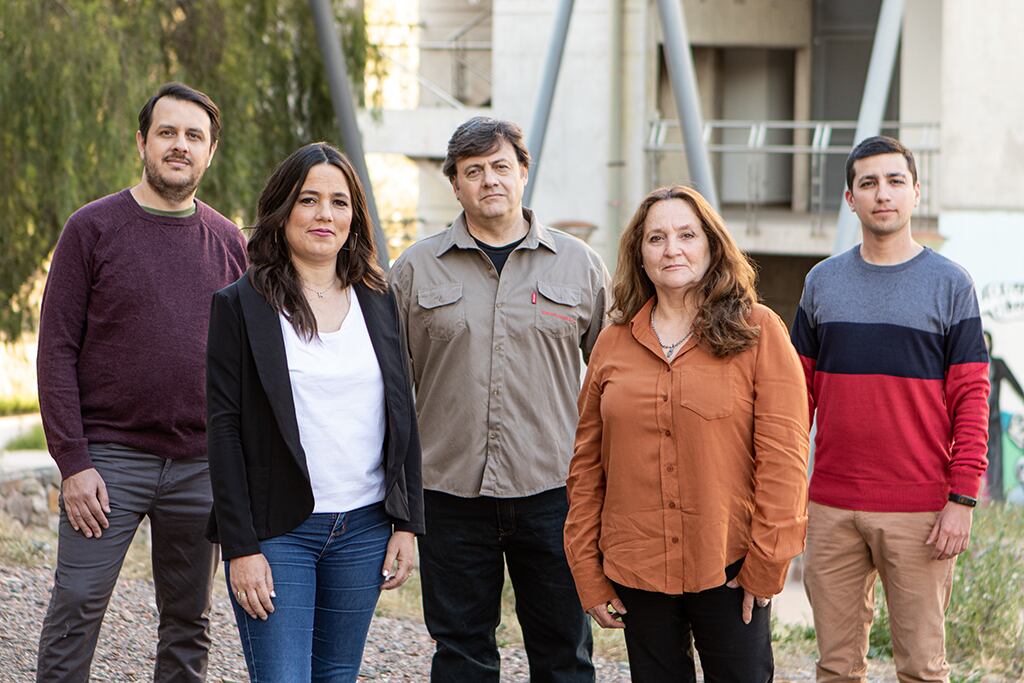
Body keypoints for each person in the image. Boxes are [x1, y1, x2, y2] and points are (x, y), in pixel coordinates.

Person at [35, 82, 246, 682]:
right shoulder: (92, 228)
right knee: (77, 604)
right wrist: (73, 462)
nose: (180, 146)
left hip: (199, 466)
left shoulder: (231, 243)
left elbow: (246, 364)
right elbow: (55, 351)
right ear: (142, 143)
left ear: (210, 152)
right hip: (107, 462)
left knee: (188, 621)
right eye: (167, 133)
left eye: (194, 136)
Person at [388, 116, 608, 682]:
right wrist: (398, 506)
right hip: (448, 495)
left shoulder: (579, 265)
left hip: (553, 494)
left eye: (501, 167)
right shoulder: (413, 270)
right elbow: (389, 393)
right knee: (461, 655)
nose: (489, 180)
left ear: (523, 173)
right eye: (474, 171)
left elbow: (617, 379)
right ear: (455, 185)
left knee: (564, 654)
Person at [564, 185, 809, 682]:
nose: (671, 248)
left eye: (686, 235)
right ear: (640, 254)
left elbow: (786, 459)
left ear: (712, 245)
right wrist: (589, 575)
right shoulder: (612, 344)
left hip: (731, 566)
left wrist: (767, 563)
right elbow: (586, 468)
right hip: (638, 568)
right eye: (655, 238)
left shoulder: (759, 331)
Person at [205, 142, 423, 682]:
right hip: (280, 532)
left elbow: (403, 411)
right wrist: (241, 547)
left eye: (339, 201)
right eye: (309, 200)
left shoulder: (379, 299)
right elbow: (224, 430)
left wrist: (407, 522)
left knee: (336, 677)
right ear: (282, 211)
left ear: (354, 215)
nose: (325, 214)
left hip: (365, 527)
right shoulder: (241, 304)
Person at [791, 136, 990, 682]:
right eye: (869, 183)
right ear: (850, 198)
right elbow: (796, 399)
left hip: (921, 511)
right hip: (831, 508)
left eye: (895, 181)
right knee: (835, 667)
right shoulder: (821, 283)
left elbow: (972, 398)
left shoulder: (950, 284)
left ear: (916, 192)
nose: (883, 194)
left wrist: (962, 498)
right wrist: (788, 493)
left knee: (922, 669)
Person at [984, 330, 1024, 500]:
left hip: (993, 421)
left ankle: (996, 497)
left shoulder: (997, 364)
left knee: (996, 461)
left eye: (987, 341)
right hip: (975, 421)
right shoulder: (972, 364)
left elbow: (1014, 382)